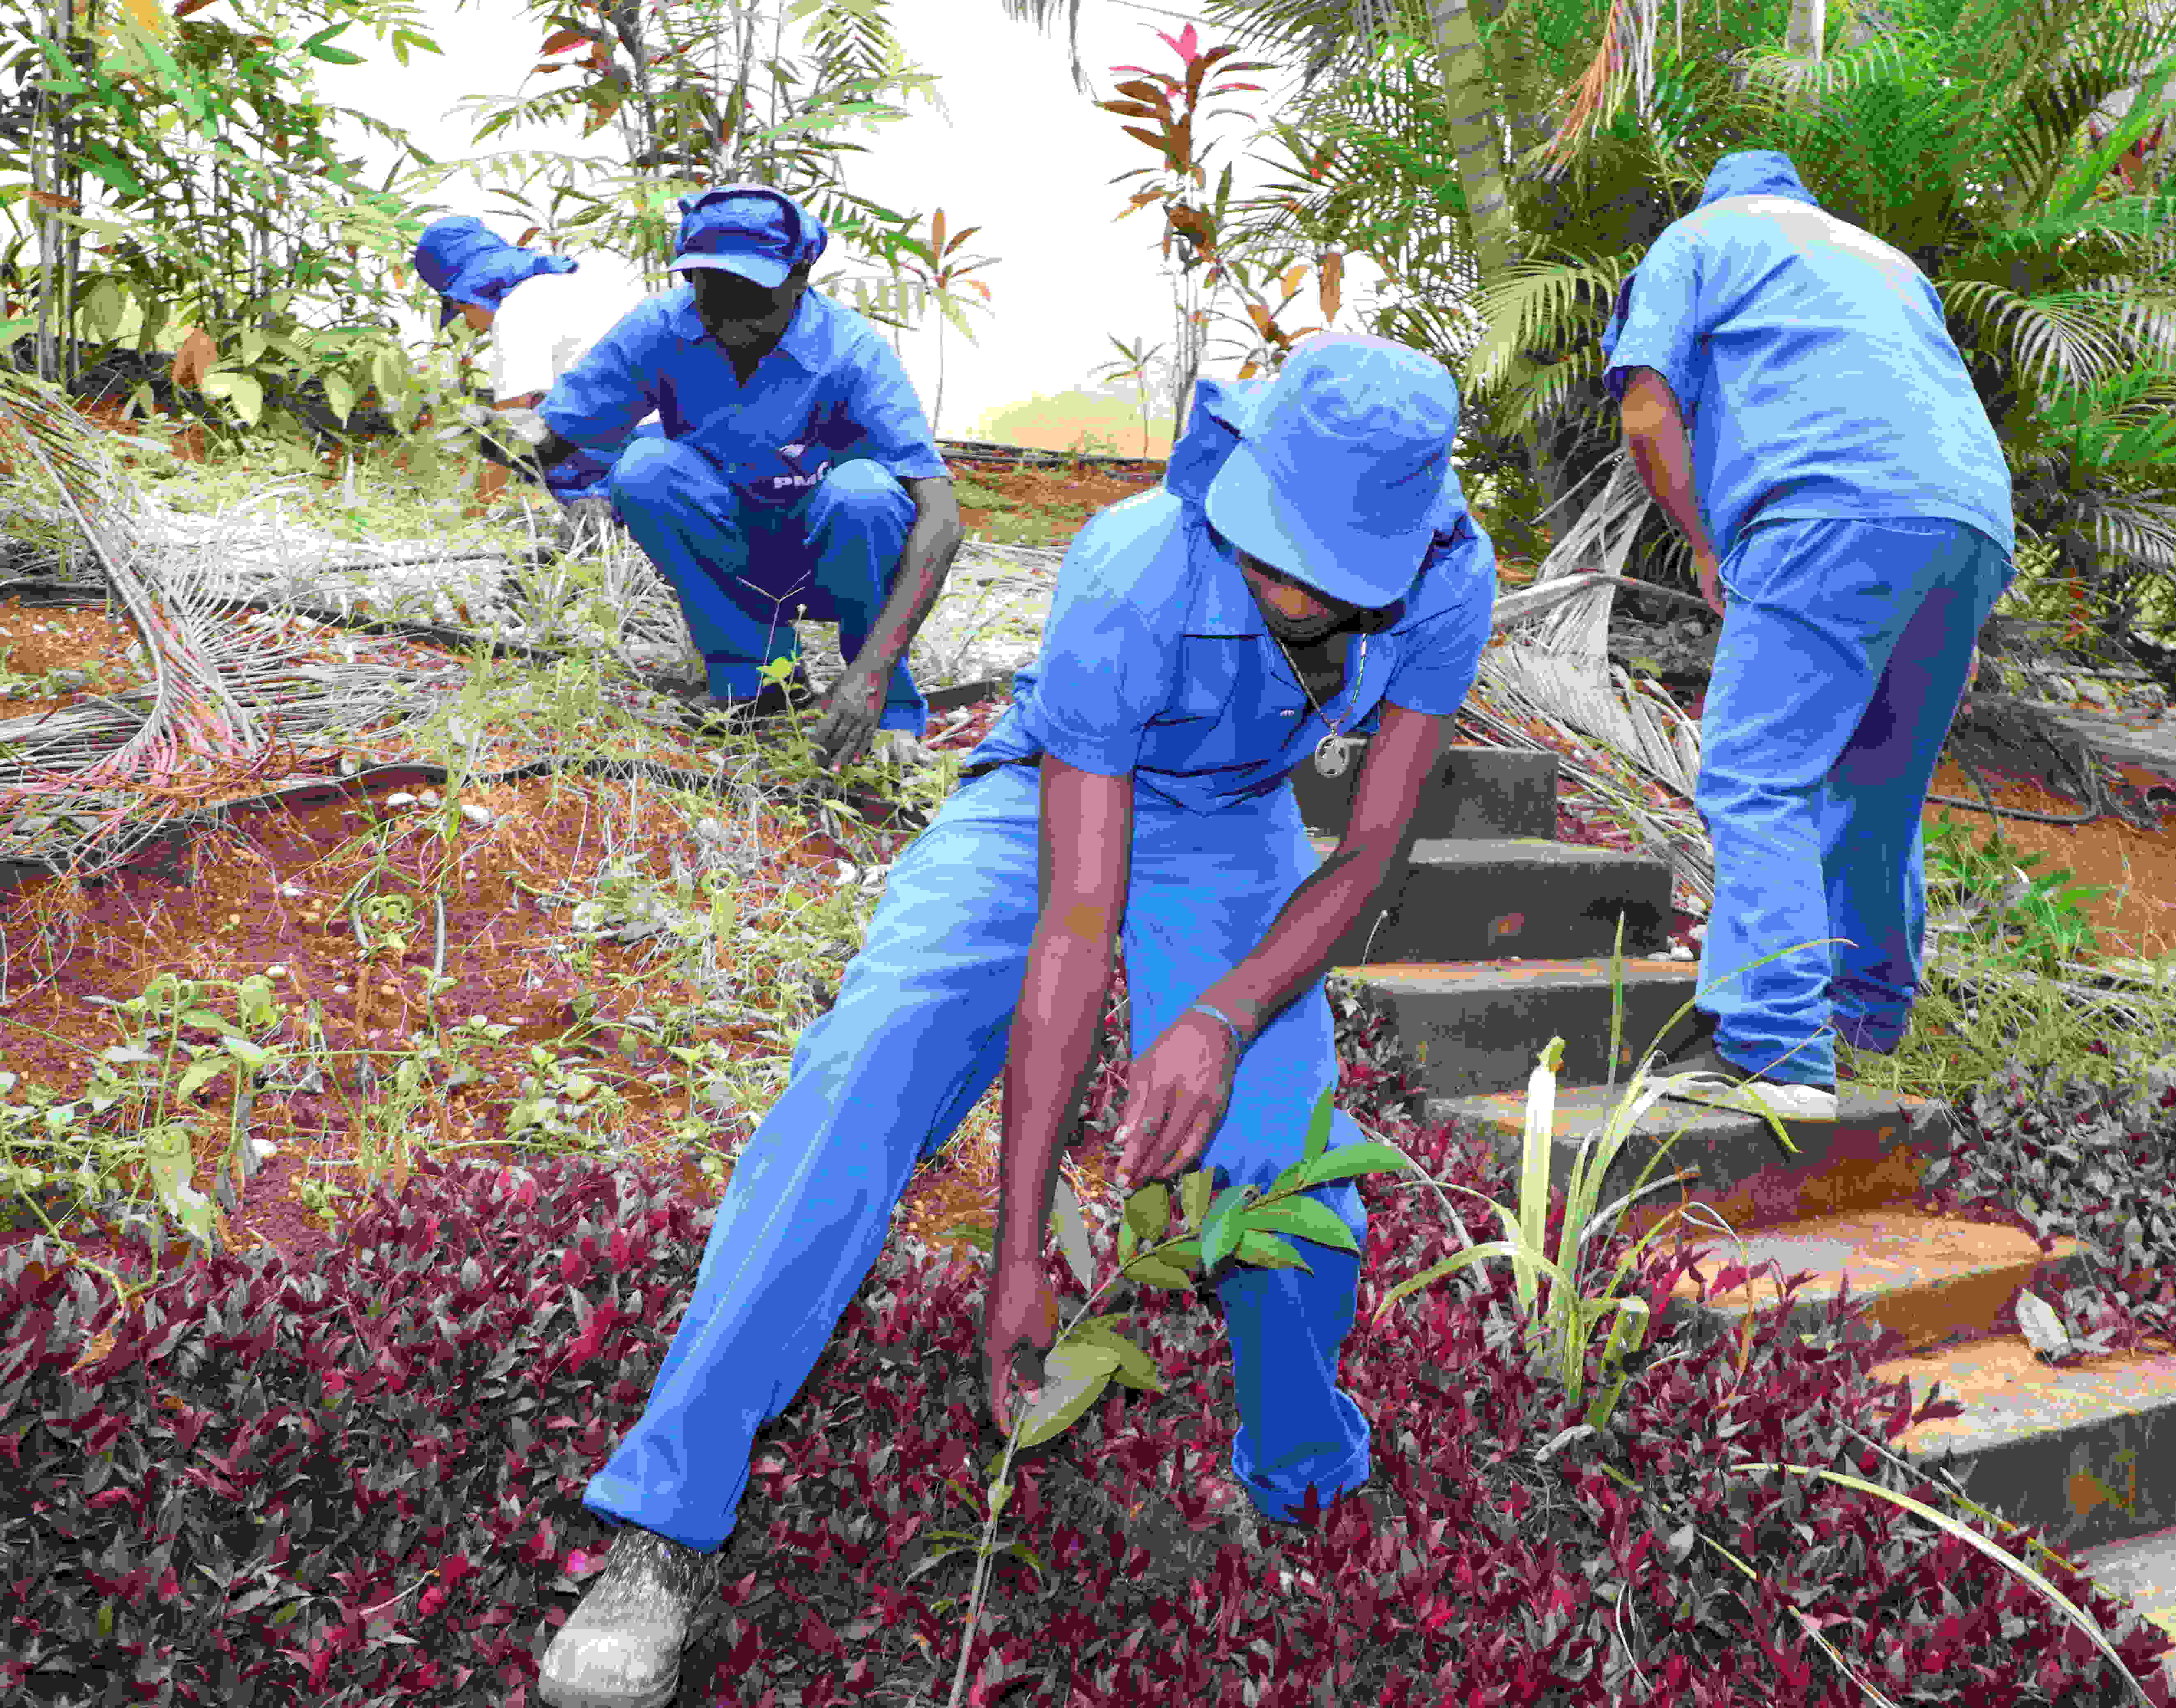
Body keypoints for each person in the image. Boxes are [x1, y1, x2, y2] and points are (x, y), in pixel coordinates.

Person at [530, 331, 1496, 1708]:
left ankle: (1301, 1481)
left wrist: (1221, 1020)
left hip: (1237, 836)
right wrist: (1018, 1249)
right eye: (1275, 545)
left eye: (1328, 571)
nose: (1287, 584)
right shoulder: (1134, 565)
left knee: (1284, 1167)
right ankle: (665, 1521)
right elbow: (1076, 918)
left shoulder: (1452, 585)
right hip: (1047, 798)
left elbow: (1368, 857)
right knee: (872, 1061)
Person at [1603, 149, 2017, 1122]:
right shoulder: (1886, 262)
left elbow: (1646, 407)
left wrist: (1704, 546)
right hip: (1970, 525)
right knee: (1874, 782)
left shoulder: (1696, 240)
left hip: (1824, 510)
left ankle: (1777, 1049)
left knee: (1755, 775)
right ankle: (1863, 1016)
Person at [506, 185, 957, 760]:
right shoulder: (663, 328)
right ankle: (759, 680)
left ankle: (887, 708)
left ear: (800, 277)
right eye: (711, 290)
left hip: (837, 559)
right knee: (644, 467)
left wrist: (873, 669)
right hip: (734, 549)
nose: (730, 315)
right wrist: (492, 439)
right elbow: (561, 433)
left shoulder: (850, 352)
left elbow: (940, 514)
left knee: (863, 493)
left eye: (753, 293)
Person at [410, 215, 661, 550]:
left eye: (460, 309)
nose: (469, 323)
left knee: (506, 432)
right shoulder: (579, 287)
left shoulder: (519, 310)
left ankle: (596, 531)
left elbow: (513, 437)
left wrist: (473, 518)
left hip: (622, 450)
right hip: (668, 438)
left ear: (469, 294)